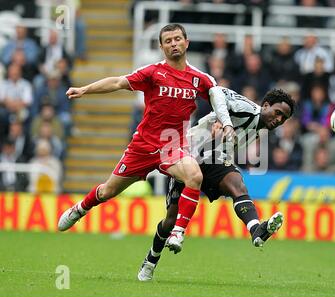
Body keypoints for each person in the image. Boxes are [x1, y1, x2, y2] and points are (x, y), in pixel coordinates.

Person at [57, 24, 235, 236]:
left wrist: (222, 121)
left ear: (186, 43)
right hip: (143, 145)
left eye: (178, 39)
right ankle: (80, 209)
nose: (174, 44)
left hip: (172, 146)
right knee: (107, 191)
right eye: (168, 41)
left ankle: (178, 232)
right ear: (162, 47)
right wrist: (84, 89)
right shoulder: (153, 73)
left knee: (194, 176)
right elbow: (117, 82)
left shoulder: (201, 79)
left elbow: (221, 103)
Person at [138, 87, 295, 281]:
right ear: (265, 105)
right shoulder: (246, 108)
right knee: (170, 220)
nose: (279, 120)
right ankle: (151, 261)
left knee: (238, 185)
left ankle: (256, 230)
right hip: (190, 154)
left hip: (215, 159)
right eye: (278, 113)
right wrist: (223, 121)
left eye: (284, 119)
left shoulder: (259, 128)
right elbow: (217, 91)